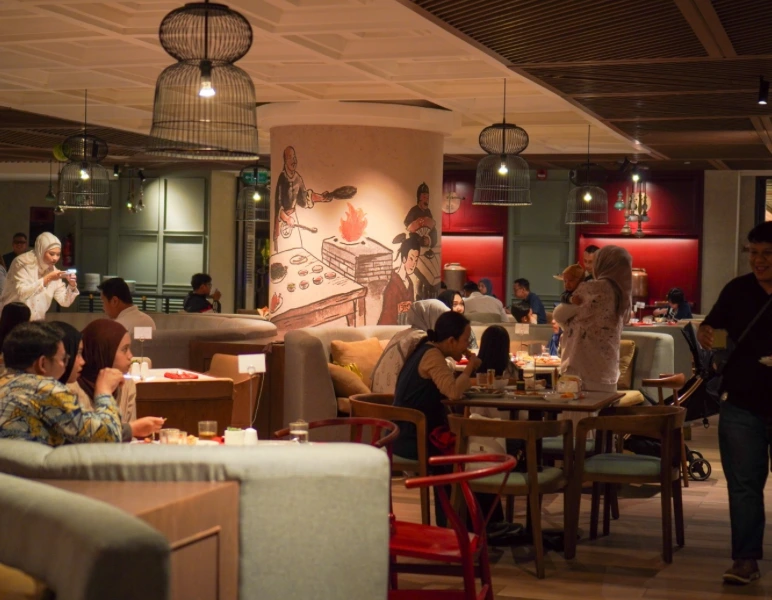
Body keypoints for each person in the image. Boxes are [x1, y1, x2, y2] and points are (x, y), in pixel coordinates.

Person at [697, 221, 772, 585]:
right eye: (753, 253)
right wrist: (706, 332)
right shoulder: (737, 290)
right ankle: (745, 560)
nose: (759, 261)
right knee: (743, 485)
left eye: (767, 254)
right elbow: (712, 326)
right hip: (741, 400)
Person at [393, 311, 481, 525]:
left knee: (468, 449)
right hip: (413, 439)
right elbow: (453, 392)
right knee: (469, 452)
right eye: (465, 340)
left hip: (406, 433)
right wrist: (470, 366)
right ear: (451, 341)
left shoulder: (425, 349)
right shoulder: (432, 356)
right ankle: (458, 524)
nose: (467, 345)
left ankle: (462, 522)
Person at [0, 321, 123, 446]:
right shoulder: (47, 390)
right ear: (42, 363)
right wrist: (104, 392)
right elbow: (110, 436)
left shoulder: (3, 382)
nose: (65, 365)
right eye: (64, 359)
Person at [553, 245, 632, 392]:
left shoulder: (593, 287)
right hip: (608, 370)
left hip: (581, 368)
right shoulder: (623, 294)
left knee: (574, 406)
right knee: (604, 406)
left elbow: (559, 314)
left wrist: (568, 325)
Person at [72, 319, 164, 441]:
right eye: (124, 349)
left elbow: (130, 438)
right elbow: (93, 440)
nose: (130, 356)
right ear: (104, 351)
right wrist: (103, 392)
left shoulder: (127, 385)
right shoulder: (71, 389)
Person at [371, 299, 449, 394]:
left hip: (377, 397)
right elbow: (437, 367)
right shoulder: (421, 338)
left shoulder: (401, 334)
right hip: (397, 399)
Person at [0, 233, 79, 321]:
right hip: (13, 319)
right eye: (51, 254)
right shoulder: (23, 262)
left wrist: (72, 285)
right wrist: (47, 278)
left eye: (58, 254)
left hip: (36, 322)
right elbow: (22, 293)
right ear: (41, 250)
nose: (55, 258)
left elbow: (64, 302)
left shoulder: (53, 270)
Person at [378, 234, 420, 325]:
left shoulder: (410, 284)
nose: (414, 264)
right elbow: (387, 317)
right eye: (411, 259)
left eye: (416, 260)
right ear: (404, 258)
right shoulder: (392, 285)